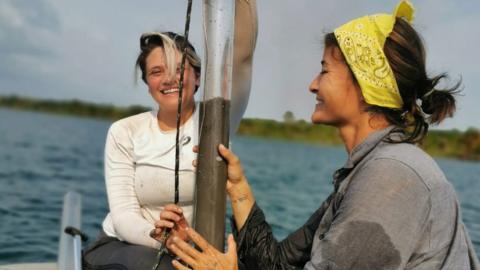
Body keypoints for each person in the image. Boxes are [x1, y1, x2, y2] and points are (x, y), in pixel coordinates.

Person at [168, 1, 480, 269]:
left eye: (325, 70)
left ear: (364, 83)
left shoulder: (392, 177)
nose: (313, 84)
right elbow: (277, 263)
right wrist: (238, 190)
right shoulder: (367, 170)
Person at [82, 0, 258, 269]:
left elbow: (242, 57)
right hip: (126, 244)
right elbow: (124, 217)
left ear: (198, 77)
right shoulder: (124, 131)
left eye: (179, 69)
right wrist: (162, 236)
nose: (168, 79)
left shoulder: (217, 120)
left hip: (192, 251)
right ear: (147, 84)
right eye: (156, 72)